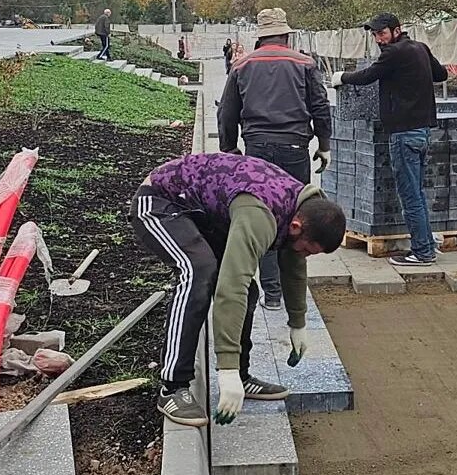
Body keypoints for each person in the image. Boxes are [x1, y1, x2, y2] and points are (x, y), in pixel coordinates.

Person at [131, 152, 346, 426]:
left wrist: (298, 322)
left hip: (199, 212)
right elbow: (231, 288)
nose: (305, 254)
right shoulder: (259, 215)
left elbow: (293, 264)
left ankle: (243, 377)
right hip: (160, 201)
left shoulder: (305, 208)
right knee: (197, 271)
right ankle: (173, 386)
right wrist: (226, 369)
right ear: (295, 227)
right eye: (307, 248)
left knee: (251, 292)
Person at [219, 8, 333, 307]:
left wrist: (230, 150)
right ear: (286, 35)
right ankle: (293, 285)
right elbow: (320, 106)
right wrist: (324, 144)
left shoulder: (242, 65)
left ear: (261, 36)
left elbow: (227, 113)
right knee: (297, 217)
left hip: (257, 150)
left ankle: (272, 294)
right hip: (295, 149)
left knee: (264, 218)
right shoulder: (305, 63)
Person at [332, 13, 448, 268]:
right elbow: (441, 75)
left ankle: (422, 253)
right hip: (422, 132)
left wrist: (342, 77)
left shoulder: (394, 53)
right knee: (417, 193)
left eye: (382, 33)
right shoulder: (420, 48)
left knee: (411, 197)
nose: (378, 39)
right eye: (374, 34)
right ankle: (426, 245)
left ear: (397, 30)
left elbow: (368, 76)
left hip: (404, 133)